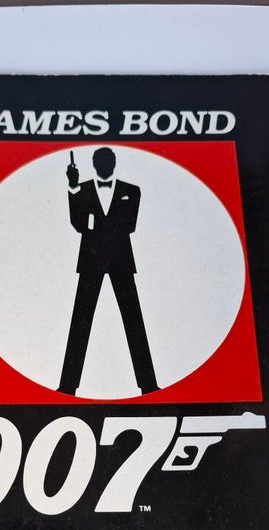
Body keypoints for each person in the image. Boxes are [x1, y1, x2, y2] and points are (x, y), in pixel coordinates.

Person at [58, 147, 159, 395]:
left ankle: (148, 385)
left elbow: (129, 225)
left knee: (133, 321)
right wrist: (73, 187)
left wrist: (94, 224)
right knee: (80, 322)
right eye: (101, 161)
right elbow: (78, 223)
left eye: (108, 161)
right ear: (94, 165)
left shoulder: (131, 190)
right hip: (91, 260)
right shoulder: (81, 189)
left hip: (120, 260)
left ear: (114, 164)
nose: (105, 165)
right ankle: (68, 386)